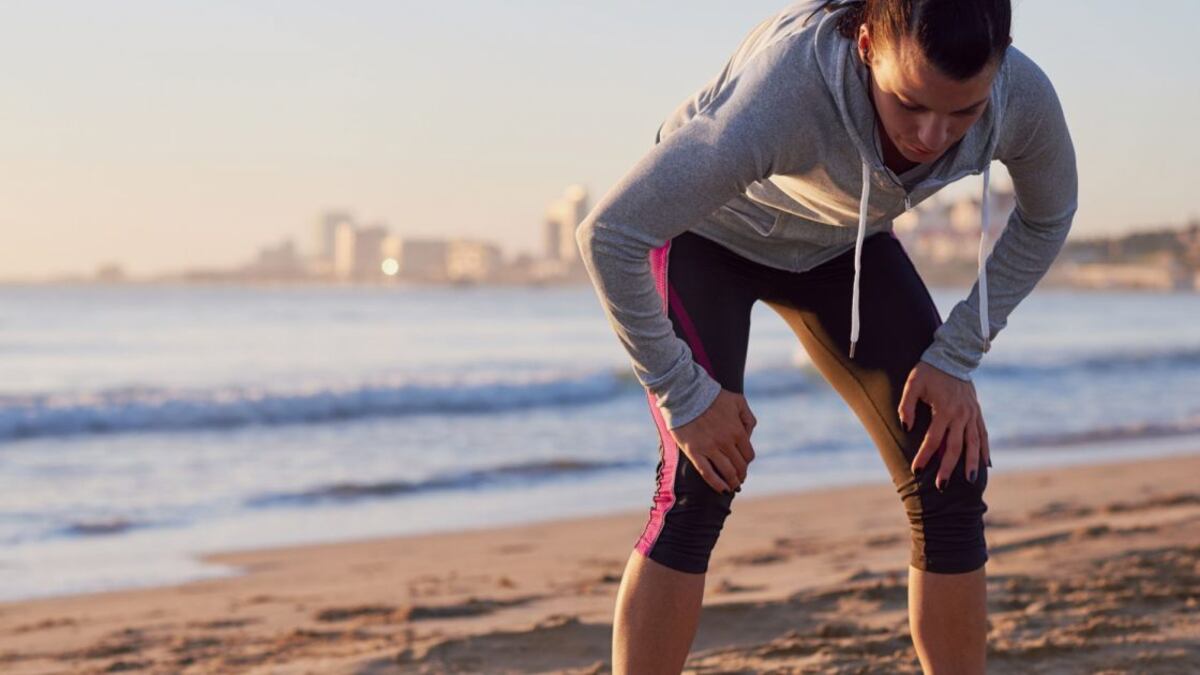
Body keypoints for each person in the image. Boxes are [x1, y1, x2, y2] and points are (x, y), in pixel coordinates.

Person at [574, 0, 1077, 672]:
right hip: (707, 234)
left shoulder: (1021, 95)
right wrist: (683, 394)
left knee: (949, 465)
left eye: (964, 113)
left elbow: (1048, 217)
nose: (932, 137)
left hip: (843, 245)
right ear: (867, 45)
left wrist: (956, 356)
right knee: (702, 479)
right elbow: (608, 235)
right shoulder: (786, 93)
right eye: (910, 105)